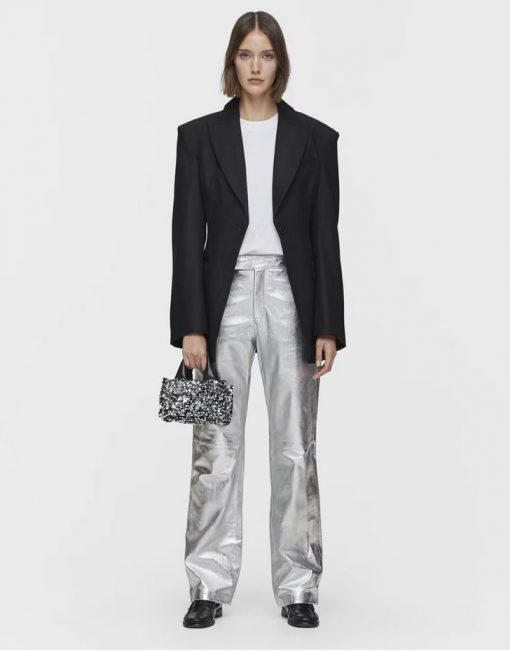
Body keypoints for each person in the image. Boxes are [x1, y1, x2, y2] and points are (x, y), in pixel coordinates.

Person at [170, 11, 346, 629]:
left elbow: (325, 238)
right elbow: (186, 236)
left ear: (280, 63)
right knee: (213, 445)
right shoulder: (197, 138)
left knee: (295, 446)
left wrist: (328, 325)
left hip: (291, 298)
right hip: (222, 302)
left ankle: (299, 587)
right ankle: (207, 584)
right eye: (246, 54)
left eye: (266, 55)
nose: (255, 66)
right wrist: (191, 324)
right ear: (232, 60)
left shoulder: (315, 139)